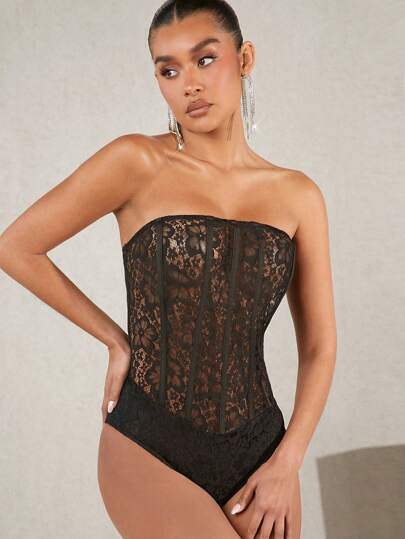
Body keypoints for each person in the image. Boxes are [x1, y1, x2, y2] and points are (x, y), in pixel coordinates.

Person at [0, 1, 337, 537]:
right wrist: (115, 340)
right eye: (169, 70)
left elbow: (319, 346)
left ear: (244, 58)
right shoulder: (136, 162)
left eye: (205, 59)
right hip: (149, 442)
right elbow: (17, 247)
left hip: (262, 450)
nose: (189, 85)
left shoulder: (298, 195)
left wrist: (287, 460)